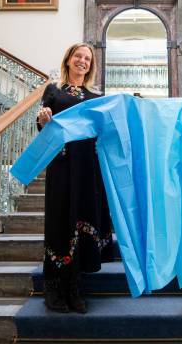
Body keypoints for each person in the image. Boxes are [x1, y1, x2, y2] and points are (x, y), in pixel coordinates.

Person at [36, 43, 112, 313]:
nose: (82, 61)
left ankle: (74, 287)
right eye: (78, 56)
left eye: (87, 59)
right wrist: (43, 119)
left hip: (89, 169)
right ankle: (54, 287)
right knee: (60, 222)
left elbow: (105, 132)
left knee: (83, 220)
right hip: (62, 166)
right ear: (68, 60)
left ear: (91, 65)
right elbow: (42, 125)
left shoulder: (95, 97)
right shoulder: (53, 91)